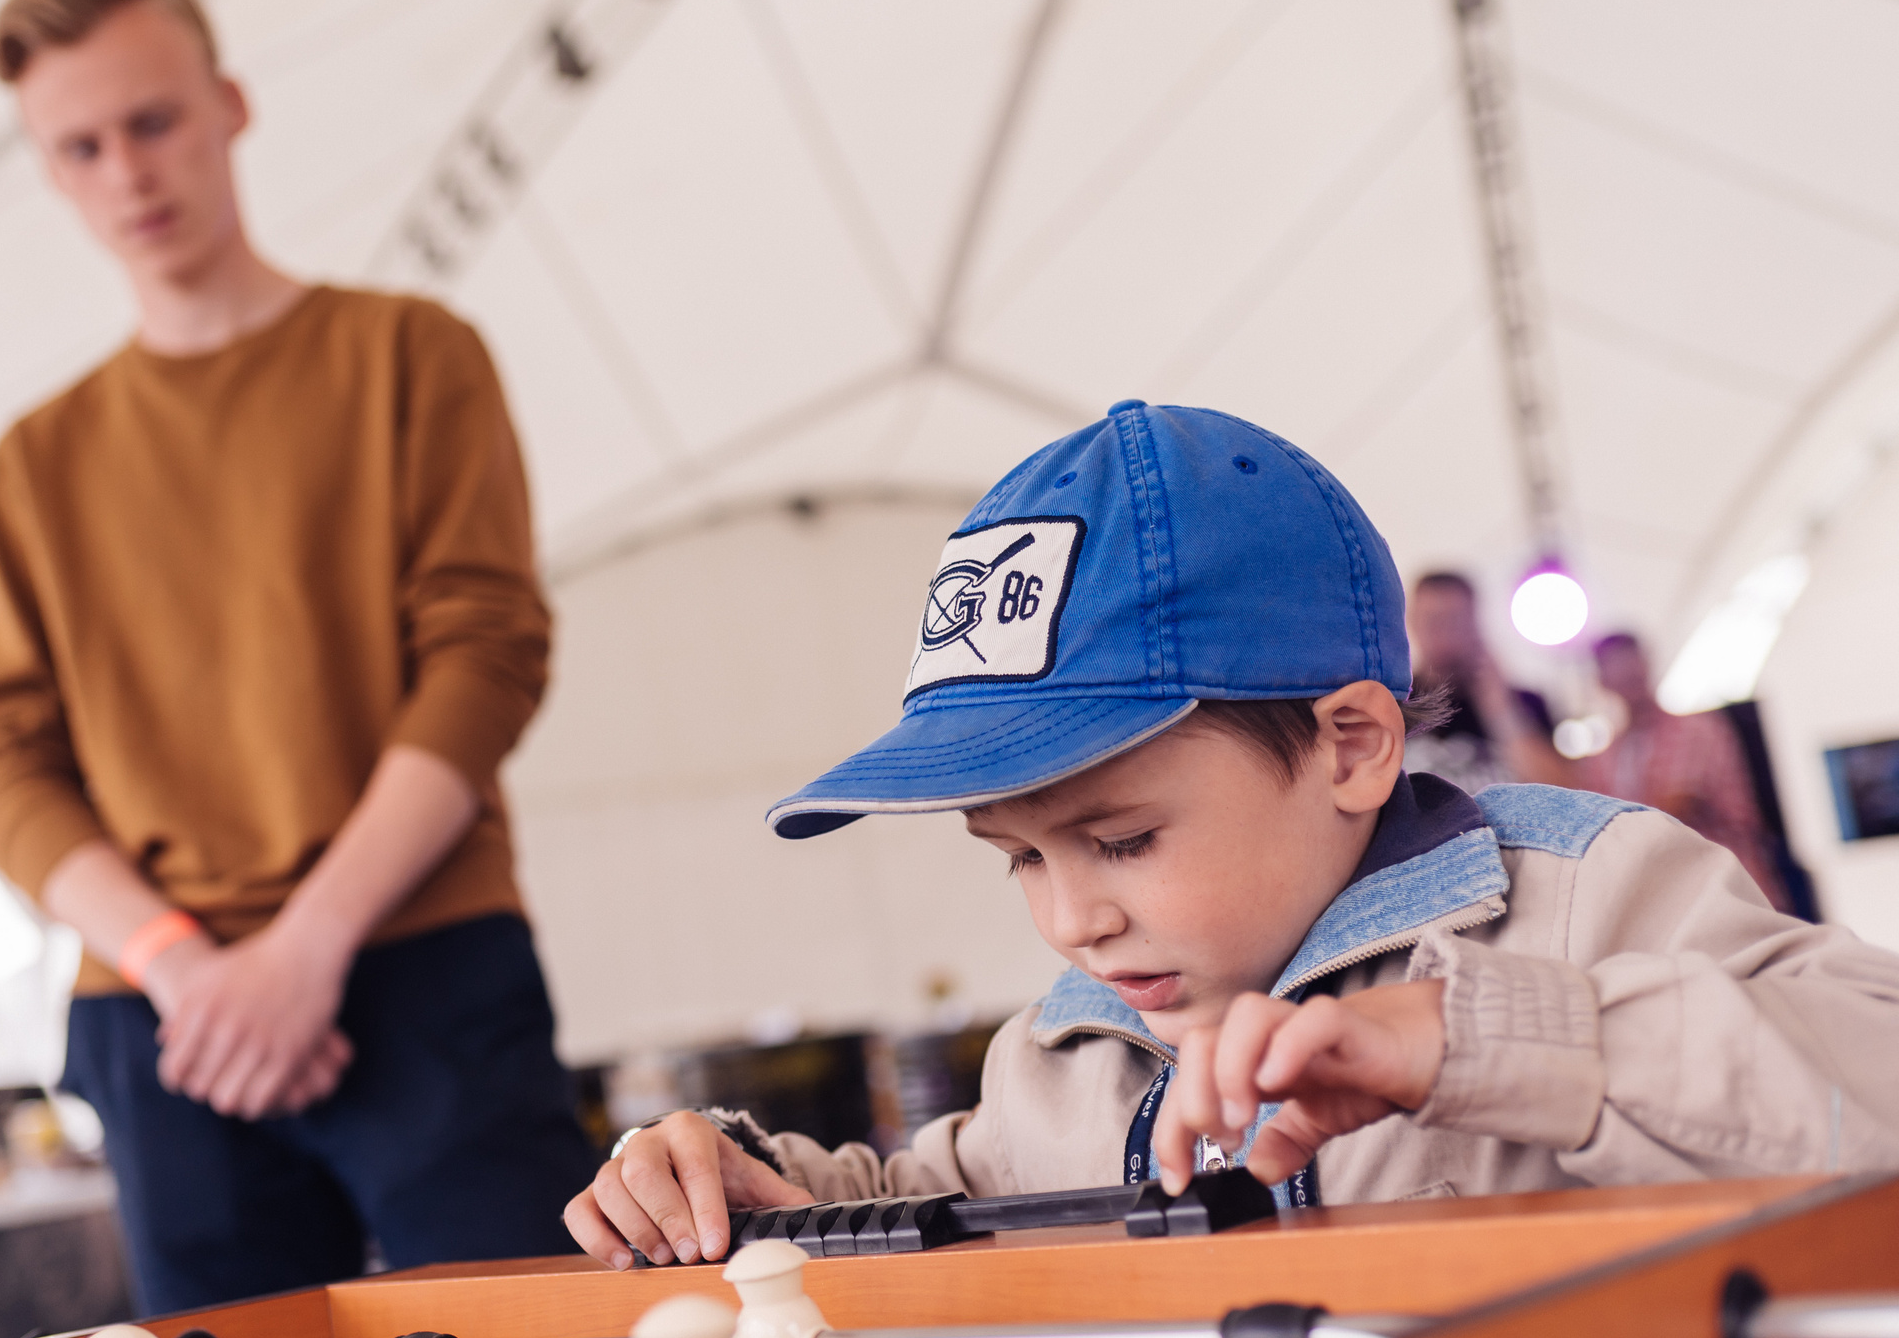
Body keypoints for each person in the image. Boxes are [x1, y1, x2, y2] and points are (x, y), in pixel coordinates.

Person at [565, 401, 1899, 1272]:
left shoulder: (1585, 895)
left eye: (1123, 838)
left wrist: (1473, 1039)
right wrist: (746, 1190)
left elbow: (1868, 1093)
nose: (1069, 919)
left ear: (1352, 745)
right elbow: (941, 1211)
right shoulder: (1069, 1053)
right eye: (1021, 857)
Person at [0, 0, 596, 1313]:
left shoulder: (411, 358)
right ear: (50, 173)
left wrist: (305, 951)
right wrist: (187, 967)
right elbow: (1, 764)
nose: (128, 169)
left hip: (423, 966)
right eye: (81, 146)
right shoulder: (39, 463)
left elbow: (485, 657)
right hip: (163, 1021)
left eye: (153, 121)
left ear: (229, 106)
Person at [1579, 633, 1793, 913]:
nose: (1627, 672)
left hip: (1728, 891)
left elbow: (1671, 812)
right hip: (1672, 903)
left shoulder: (1696, 730)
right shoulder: (1606, 756)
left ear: (1647, 663)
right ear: (1602, 680)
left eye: (1631, 662)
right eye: (1615, 666)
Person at [1402, 571, 1559, 793]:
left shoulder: (1525, 702)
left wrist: (1500, 708)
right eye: (1433, 621)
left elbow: (1559, 790)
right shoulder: (1395, 704)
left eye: (1455, 620)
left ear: (1475, 621)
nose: (1444, 634)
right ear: (1413, 623)